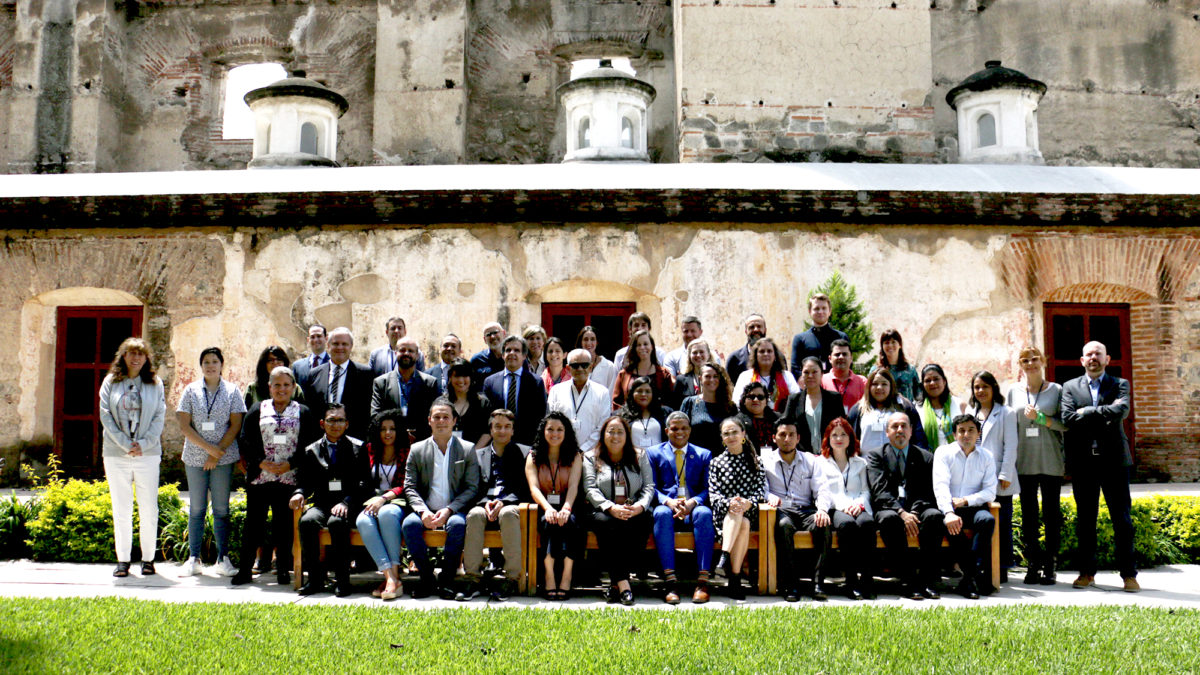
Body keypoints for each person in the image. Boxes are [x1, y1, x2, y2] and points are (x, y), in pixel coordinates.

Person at [1061, 340, 1137, 592]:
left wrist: (1088, 412)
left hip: (1114, 460)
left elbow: (1122, 410)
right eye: (1088, 355)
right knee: (1085, 520)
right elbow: (1068, 418)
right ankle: (1086, 573)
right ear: (1082, 361)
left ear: (1107, 359)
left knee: (1122, 519)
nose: (1093, 358)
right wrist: (1104, 412)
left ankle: (1129, 575)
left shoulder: (1120, 384)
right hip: (1083, 461)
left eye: (1098, 354)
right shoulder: (1070, 387)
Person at [233, 366, 320, 586]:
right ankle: (245, 570)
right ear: (269, 387)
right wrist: (261, 462)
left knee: (284, 527)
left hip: (289, 479)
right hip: (260, 478)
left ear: (293, 387)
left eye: (286, 385)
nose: (281, 389)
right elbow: (245, 439)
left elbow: (311, 444)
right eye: (277, 385)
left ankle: (283, 569)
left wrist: (291, 464)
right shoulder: (256, 409)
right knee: (254, 525)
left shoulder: (303, 412)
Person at [99, 337, 167, 578]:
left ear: (146, 358)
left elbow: (160, 415)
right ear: (123, 356)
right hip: (116, 453)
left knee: (148, 507)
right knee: (121, 507)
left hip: (147, 454)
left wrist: (144, 444)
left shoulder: (154, 383)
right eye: (131, 353)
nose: (136, 358)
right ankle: (123, 560)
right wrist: (126, 444)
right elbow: (105, 415)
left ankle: (148, 559)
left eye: (141, 354)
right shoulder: (110, 381)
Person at [175, 347, 246, 577]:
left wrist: (217, 453)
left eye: (215, 361)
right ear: (201, 365)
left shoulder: (232, 391)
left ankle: (222, 558)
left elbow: (235, 425)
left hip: (223, 458)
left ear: (222, 364)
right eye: (206, 361)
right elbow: (185, 426)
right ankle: (193, 558)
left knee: (221, 508)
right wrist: (208, 451)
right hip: (196, 457)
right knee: (196, 508)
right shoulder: (190, 391)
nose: (211, 365)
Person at [402, 398, 482, 599]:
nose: (441, 421)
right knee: (409, 525)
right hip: (425, 508)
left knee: (456, 526)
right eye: (436, 417)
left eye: (446, 417)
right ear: (429, 420)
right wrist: (423, 511)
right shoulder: (417, 449)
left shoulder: (467, 449)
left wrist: (449, 510)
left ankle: (447, 580)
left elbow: (472, 488)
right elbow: (409, 487)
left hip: (455, 510)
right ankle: (427, 579)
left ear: (454, 420)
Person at [292, 403, 371, 596]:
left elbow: (365, 483)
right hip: (322, 503)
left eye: (340, 420)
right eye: (331, 420)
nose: (335, 425)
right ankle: (315, 580)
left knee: (337, 523)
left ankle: (342, 581)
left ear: (347, 424)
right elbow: (305, 481)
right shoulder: (311, 450)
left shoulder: (358, 448)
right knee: (308, 521)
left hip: (348, 504)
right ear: (322, 423)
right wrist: (299, 493)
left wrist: (346, 502)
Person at [1005, 346, 1066, 585]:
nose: (1030, 364)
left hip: (1051, 460)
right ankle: (1033, 563)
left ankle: (1050, 564)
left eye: (1034, 359)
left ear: (1043, 360)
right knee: (1029, 517)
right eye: (1025, 360)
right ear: (1020, 365)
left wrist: (1042, 419)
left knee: (1051, 515)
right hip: (1025, 462)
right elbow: (1010, 426)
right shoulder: (1013, 391)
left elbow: (1066, 424)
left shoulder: (1057, 390)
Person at [867, 412, 944, 600]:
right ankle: (907, 580)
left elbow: (927, 491)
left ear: (910, 431)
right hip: (890, 509)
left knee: (934, 516)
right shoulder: (876, 456)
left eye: (904, 426)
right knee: (889, 519)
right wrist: (902, 513)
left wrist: (914, 512)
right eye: (894, 427)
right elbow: (879, 490)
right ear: (887, 432)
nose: (899, 430)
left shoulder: (926, 457)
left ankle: (927, 580)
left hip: (917, 508)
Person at [460, 410, 531, 601]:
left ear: (513, 431)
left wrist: (504, 501)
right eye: (497, 426)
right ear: (490, 430)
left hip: (512, 504)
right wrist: (485, 504)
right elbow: (472, 486)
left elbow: (526, 488)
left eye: (507, 427)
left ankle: (511, 577)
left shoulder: (525, 453)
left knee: (508, 513)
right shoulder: (477, 455)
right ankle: (473, 578)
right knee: (474, 515)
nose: (502, 431)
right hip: (483, 504)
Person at [584, 416, 655, 606]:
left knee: (644, 520)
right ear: (603, 434)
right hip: (604, 510)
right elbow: (590, 489)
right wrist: (611, 507)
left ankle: (616, 584)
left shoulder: (640, 455)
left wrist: (639, 506)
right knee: (608, 524)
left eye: (620, 432)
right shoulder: (591, 457)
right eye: (611, 431)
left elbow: (649, 487)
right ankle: (624, 584)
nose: (615, 436)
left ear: (627, 435)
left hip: (634, 509)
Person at [764, 418, 838, 601]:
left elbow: (822, 488)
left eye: (791, 435)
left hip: (806, 510)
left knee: (823, 524)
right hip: (782, 510)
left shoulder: (811, 461)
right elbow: (760, 487)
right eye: (782, 435)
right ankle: (791, 584)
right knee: (783, 526)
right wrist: (768, 496)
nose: (787, 439)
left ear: (798, 438)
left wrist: (822, 510)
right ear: (774, 438)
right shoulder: (765, 461)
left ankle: (818, 583)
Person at [647, 412, 714, 604]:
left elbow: (708, 488)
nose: (679, 432)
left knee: (704, 513)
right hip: (667, 505)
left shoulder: (703, 454)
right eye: (674, 428)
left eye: (684, 428)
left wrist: (693, 502)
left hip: (693, 506)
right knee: (660, 513)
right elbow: (650, 487)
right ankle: (670, 582)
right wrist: (668, 501)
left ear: (690, 430)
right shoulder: (653, 453)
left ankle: (702, 581)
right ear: (667, 430)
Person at [932, 414, 998, 599]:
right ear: (954, 434)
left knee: (987, 520)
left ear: (978, 433)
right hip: (947, 507)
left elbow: (990, 492)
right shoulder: (943, 453)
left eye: (971, 430)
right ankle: (973, 577)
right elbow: (940, 485)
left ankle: (969, 577)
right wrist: (949, 512)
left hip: (972, 507)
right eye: (961, 430)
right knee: (951, 524)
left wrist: (966, 500)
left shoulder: (987, 456)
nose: (966, 435)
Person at [526, 411, 586, 600]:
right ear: (543, 431)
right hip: (543, 505)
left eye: (560, 429)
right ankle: (549, 575)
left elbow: (574, 486)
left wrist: (566, 508)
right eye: (550, 429)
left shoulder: (575, 456)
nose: (555, 433)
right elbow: (534, 488)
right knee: (548, 522)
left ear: (566, 432)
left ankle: (566, 576)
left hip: (570, 504)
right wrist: (549, 508)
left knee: (571, 522)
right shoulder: (533, 456)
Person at [815, 418, 876, 600]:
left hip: (858, 506)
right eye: (834, 435)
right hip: (835, 508)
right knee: (847, 525)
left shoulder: (860, 463)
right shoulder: (820, 463)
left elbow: (866, 490)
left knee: (867, 523)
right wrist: (843, 506)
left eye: (843, 434)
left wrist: (859, 505)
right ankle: (851, 581)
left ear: (851, 438)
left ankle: (867, 579)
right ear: (828, 439)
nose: (839, 438)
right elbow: (823, 491)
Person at [354, 409, 410, 600]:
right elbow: (362, 481)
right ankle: (391, 577)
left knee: (387, 513)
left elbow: (406, 484)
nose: (388, 433)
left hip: (398, 502)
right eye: (383, 429)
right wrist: (375, 499)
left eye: (392, 429)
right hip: (372, 501)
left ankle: (392, 577)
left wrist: (384, 498)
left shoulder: (406, 451)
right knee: (363, 521)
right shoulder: (369, 449)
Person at [968, 370, 1018, 582]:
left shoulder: (1006, 413)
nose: (980, 391)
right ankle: (982, 565)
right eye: (977, 387)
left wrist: (1005, 472)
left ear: (993, 388)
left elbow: (1011, 445)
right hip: (976, 478)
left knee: (1002, 524)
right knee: (983, 523)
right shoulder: (972, 412)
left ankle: (1002, 567)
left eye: (985, 387)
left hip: (999, 477)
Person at [709, 417, 766, 600]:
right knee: (740, 519)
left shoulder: (756, 461)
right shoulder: (716, 463)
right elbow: (714, 495)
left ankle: (725, 556)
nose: (731, 436)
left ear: (743, 434)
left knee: (743, 516)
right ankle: (735, 577)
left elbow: (761, 492)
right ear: (722, 438)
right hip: (724, 517)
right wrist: (729, 503)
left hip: (750, 511)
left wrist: (749, 502)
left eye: (734, 431)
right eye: (726, 433)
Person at [303, 326, 374, 441]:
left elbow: (367, 411)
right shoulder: (314, 374)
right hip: (321, 441)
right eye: (335, 344)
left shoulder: (365, 375)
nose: (340, 347)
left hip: (353, 440)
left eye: (344, 344)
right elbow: (311, 409)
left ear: (351, 347)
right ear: (328, 345)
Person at [370, 336, 440, 442]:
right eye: (402, 350)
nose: (406, 353)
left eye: (411, 351)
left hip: (421, 442)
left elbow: (434, 415)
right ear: (395, 353)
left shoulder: (429, 383)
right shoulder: (381, 383)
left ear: (417, 355)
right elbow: (375, 415)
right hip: (390, 443)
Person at [846, 366, 927, 456]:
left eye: (884, 384)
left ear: (891, 386)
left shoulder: (904, 406)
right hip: (866, 466)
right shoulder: (858, 410)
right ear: (869, 386)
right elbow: (849, 442)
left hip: (898, 466)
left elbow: (919, 439)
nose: (879, 387)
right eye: (875, 384)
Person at [482, 335, 548, 446]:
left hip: (526, 444)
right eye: (508, 350)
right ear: (503, 355)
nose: (512, 353)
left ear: (524, 356)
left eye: (517, 350)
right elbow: (485, 416)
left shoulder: (536, 382)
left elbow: (540, 417)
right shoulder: (490, 382)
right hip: (497, 442)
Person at [548, 348, 611, 451]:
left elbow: (602, 426)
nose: (580, 369)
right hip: (562, 451)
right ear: (568, 368)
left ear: (590, 367)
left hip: (592, 455)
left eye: (585, 365)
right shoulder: (556, 391)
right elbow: (552, 423)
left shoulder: (602, 393)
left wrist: (583, 450)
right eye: (575, 366)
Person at [781, 356, 847, 454]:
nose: (810, 376)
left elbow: (843, 427)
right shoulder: (794, 400)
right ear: (802, 375)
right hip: (802, 457)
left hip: (830, 455)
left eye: (814, 372)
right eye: (806, 372)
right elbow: (784, 424)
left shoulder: (834, 399)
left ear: (822, 374)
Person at [679, 363, 737, 456]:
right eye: (707, 376)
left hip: (723, 461)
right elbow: (680, 431)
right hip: (696, 459)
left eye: (715, 376)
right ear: (700, 378)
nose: (712, 380)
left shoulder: (730, 406)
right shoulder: (689, 402)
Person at [611, 330, 675, 410]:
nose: (642, 348)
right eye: (638, 345)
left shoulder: (664, 374)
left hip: (657, 420)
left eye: (645, 344)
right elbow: (616, 403)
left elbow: (670, 401)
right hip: (630, 419)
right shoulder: (623, 375)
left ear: (652, 346)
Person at [732, 336, 798, 413]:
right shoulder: (745, 376)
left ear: (775, 355)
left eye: (769, 351)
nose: (766, 354)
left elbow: (796, 400)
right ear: (755, 355)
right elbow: (737, 402)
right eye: (762, 351)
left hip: (781, 421)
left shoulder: (787, 376)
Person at [790, 293, 848, 375]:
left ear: (830, 311)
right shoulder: (800, 339)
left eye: (824, 308)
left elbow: (847, 364)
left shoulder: (841, 337)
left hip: (835, 385)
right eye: (816, 309)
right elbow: (795, 368)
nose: (820, 312)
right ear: (810, 311)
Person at [443, 359, 493, 448]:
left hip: (476, 455)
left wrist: (472, 453)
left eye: (465, 376)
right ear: (450, 378)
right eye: (457, 376)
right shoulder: (441, 403)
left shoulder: (482, 403)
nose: (461, 380)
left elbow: (488, 432)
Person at [918, 363, 967, 450]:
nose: (932, 383)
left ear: (944, 381)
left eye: (936, 379)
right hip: (930, 460)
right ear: (922, 385)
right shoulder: (917, 409)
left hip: (959, 459)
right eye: (928, 381)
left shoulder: (960, 405)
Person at [620, 376, 673, 449]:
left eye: (647, 391)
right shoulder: (622, 415)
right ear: (632, 393)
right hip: (633, 458)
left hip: (659, 458)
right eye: (639, 391)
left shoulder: (666, 413)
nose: (643, 394)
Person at [668, 337, 715, 409]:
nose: (698, 355)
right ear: (689, 356)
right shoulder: (681, 380)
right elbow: (674, 406)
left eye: (701, 352)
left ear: (708, 354)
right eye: (694, 352)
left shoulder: (717, 378)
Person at [822, 339, 867, 413]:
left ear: (851, 358)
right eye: (837, 354)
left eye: (844, 354)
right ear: (830, 359)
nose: (841, 357)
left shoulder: (862, 382)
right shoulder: (821, 380)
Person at [735, 381, 778, 452]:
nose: (756, 400)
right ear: (744, 400)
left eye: (760, 397)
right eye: (751, 397)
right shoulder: (737, 422)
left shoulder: (777, 419)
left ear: (766, 401)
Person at [878, 329, 919, 402]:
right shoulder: (876, 370)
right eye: (886, 343)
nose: (890, 345)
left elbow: (918, 395)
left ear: (900, 345)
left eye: (893, 342)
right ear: (882, 346)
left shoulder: (910, 370)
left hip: (906, 411)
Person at [724, 313, 767, 383]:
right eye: (751, 327)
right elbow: (728, 389)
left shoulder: (776, 357)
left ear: (765, 330)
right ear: (746, 331)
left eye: (759, 326)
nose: (756, 330)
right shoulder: (734, 360)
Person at [575, 325, 616, 391]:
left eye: (592, 339)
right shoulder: (574, 365)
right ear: (581, 342)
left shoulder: (609, 366)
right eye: (585, 339)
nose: (589, 343)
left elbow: (611, 393)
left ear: (597, 342)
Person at [291, 323, 329, 388]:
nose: (316, 340)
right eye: (312, 337)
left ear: (326, 338)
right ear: (308, 340)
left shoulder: (334, 364)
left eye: (319, 336)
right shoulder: (297, 367)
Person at [470, 322, 506, 387]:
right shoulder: (477, 360)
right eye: (488, 334)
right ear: (485, 340)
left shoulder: (512, 358)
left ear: (503, 334)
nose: (492, 337)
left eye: (495, 332)